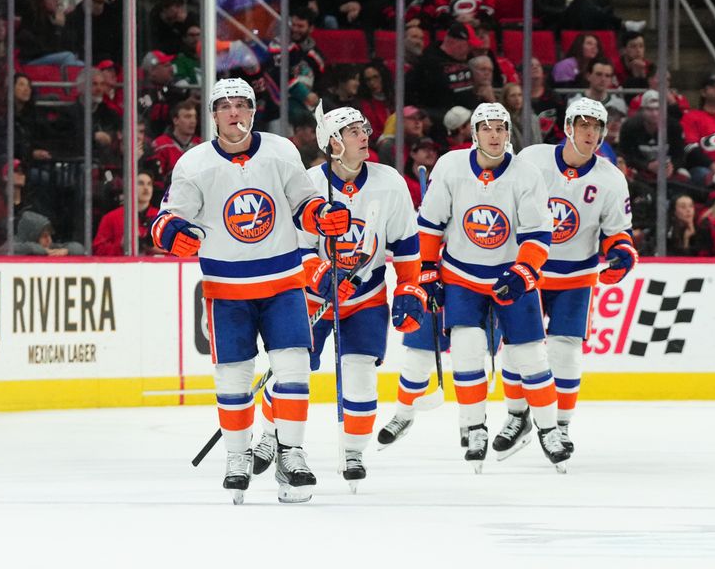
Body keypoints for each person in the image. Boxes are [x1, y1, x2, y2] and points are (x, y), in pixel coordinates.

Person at [151, 78, 351, 505]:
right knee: (233, 378)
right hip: (226, 289)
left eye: (242, 105)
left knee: (295, 367)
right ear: (214, 115)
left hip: (282, 282)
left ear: (254, 111)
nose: (235, 113)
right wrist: (172, 234)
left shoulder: (280, 151)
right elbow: (166, 219)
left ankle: (290, 451)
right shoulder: (194, 163)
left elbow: (304, 204)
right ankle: (238, 456)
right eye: (226, 106)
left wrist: (324, 218)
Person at [253, 103, 425, 491]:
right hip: (312, 298)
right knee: (290, 372)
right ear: (333, 143)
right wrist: (322, 276)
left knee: (361, 376)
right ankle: (270, 434)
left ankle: (353, 452)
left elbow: (407, 244)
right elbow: (296, 247)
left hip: (366, 295)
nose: (364, 136)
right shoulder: (308, 183)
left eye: (364, 129)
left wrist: (410, 288)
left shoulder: (389, 182)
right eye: (353, 132)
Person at [389, 102, 568, 473]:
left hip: (511, 275)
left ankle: (549, 429)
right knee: (469, 351)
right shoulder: (452, 167)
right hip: (461, 276)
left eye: (501, 128)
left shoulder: (526, 174)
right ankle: (474, 428)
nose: (495, 135)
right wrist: (427, 271)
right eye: (487, 128)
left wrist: (523, 271)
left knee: (531, 357)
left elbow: (539, 234)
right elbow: (432, 224)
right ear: (474, 133)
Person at [519, 97, 638, 457]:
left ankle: (562, 424)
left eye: (596, 126)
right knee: (519, 349)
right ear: (568, 127)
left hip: (576, 275)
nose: (590, 132)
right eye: (583, 125)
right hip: (530, 272)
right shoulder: (533, 161)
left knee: (565, 350)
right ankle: (517, 414)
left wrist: (619, 252)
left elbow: (618, 231)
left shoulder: (611, 178)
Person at [92, 170, 161, 256]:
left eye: (149, 184)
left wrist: (157, 249)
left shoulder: (162, 218)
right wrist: (121, 247)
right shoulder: (111, 218)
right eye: (140, 183)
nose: (146, 188)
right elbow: (97, 250)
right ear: (130, 187)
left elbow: (176, 250)